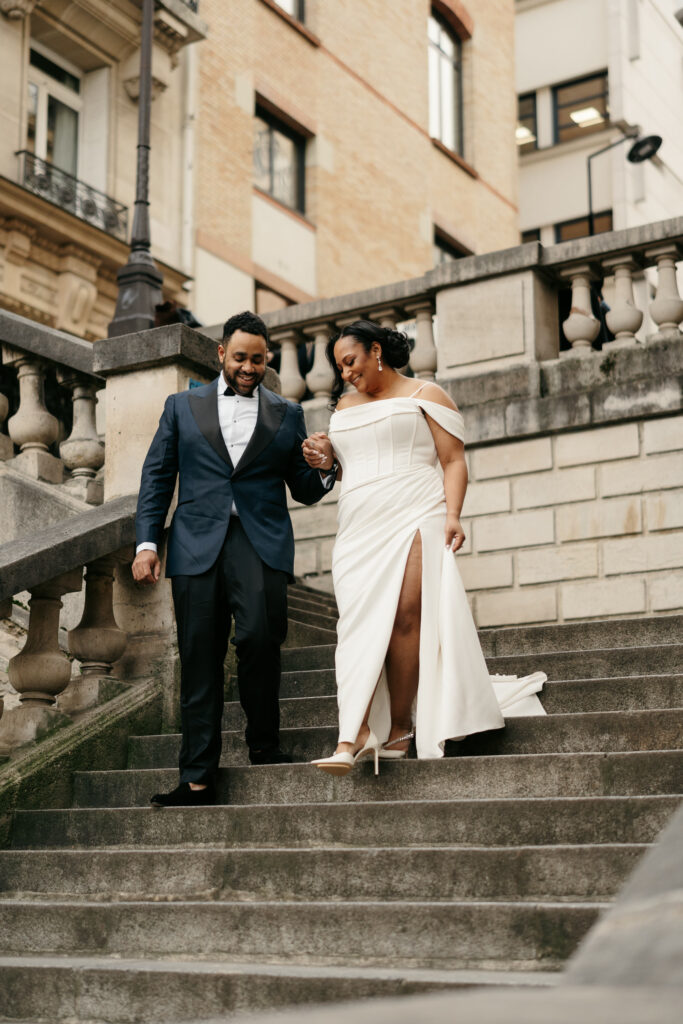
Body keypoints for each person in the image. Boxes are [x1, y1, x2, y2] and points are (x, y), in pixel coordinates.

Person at [302, 320, 545, 775]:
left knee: (407, 616)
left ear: (376, 350)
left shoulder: (426, 395)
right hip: (359, 523)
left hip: (417, 510)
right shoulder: (344, 405)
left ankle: (389, 731)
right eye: (338, 367)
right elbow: (346, 464)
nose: (346, 374)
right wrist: (327, 457)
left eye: (351, 361)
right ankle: (353, 731)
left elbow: (453, 460)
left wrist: (453, 514)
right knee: (357, 623)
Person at [132, 310, 336, 806]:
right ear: (221, 353)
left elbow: (305, 490)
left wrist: (327, 467)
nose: (249, 367)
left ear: (267, 361)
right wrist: (146, 543)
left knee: (261, 639)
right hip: (194, 543)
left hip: (259, 540)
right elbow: (157, 477)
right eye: (240, 357)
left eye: (258, 360)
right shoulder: (181, 406)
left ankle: (264, 746)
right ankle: (198, 776)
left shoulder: (286, 414)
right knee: (199, 657)